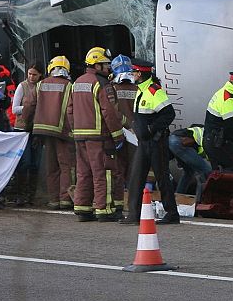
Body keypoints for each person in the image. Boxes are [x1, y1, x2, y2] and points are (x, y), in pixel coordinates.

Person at [119, 59, 178, 226]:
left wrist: (152, 129)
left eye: (134, 72)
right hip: (144, 143)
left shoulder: (154, 91)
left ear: (140, 73)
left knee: (162, 178)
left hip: (156, 142)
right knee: (136, 176)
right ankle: (133, 214)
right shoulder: (142, 90)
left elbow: (169, 114)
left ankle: (172, 214)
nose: (132, 75)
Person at [69, 47, 125, 222]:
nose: (108, 67)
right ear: (97, 65)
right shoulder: (102, 84)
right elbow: (109, 112)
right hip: (99, 137)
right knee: (103, 172)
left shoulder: (77, 82)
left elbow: (69, 110)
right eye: (105, 64)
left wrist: (75, 129)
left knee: (83, 173)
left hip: (80, 136)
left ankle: (82, 208)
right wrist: (118, 135)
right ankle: (104, 209)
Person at [27, 56, 75, 210]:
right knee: (66, 166)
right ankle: (65, 199)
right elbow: (71, 110)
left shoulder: (40, 85)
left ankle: (54, 200)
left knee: (51, 166)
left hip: (44, 132)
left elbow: (29, 105)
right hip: (63, 132)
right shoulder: (69, 86)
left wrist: (28, 125)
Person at [203, 71, 233, 174]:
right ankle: (210, 178)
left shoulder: (222, 92)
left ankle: (213, 179)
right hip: (219, 143)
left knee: (220, 171)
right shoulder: (228, 99)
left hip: (211, 141)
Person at [11, 61, 43, 205]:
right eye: (29, 74)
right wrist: (29, 108)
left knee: (35, 163)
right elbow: (14, 109)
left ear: (40, 75)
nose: (31, 77)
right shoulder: (22, 86)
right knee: (25, 162)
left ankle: (31, 195)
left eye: (34, 75)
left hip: (37, 128)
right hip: (22, 128)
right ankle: (20, 193)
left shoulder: (42, 86)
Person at [110, 54, 137, 215]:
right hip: (136, 135)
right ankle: (133, 202)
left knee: (118, 169)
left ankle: (120, 202)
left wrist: (126, 124)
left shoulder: (112, 88)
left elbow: (113, 112)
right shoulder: (138, 88)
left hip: (119, 133)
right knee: (134, 169)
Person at [169, 125, 211, 195]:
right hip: (179, 142)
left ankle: (179, 195)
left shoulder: (205, 131)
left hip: (173, 140)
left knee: (189, 172)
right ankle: (201, 198)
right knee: (206, 171)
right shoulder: (211, 138)